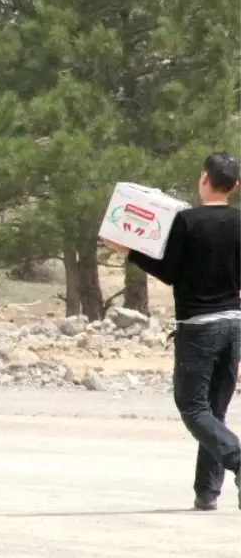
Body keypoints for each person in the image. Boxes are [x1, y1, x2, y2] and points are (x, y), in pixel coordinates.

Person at [103, 153, 241, 511]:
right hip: (233, 324)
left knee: (193, 408)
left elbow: (169, 272)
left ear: (203, 180)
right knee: (215, 411)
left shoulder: (187, 222)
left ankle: (239, 460)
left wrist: (128, 251)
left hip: (198, 326)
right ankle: (207, 493)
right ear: (234, 187)